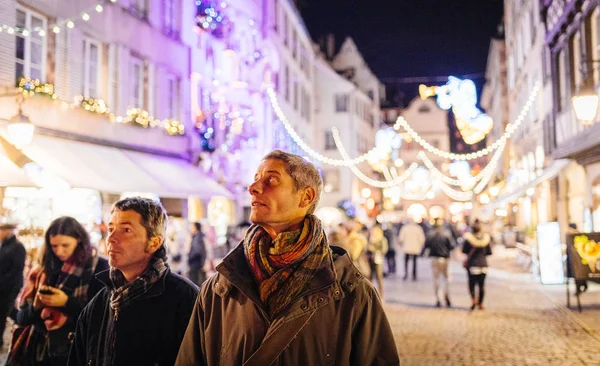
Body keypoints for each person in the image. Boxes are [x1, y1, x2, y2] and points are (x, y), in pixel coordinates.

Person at [175, 150, 399, 365]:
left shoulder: (351, 291)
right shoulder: (219, 289)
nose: (253, 188)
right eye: (255, 179)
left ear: (306, 197)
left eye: (271, 180)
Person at [68, 197, 199, 366]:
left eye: (126, 230)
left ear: (153, 243)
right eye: (110, 229)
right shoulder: (98, 304)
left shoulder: (186, 300)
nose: (111, 238)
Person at [7, 217, 108, 365]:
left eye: (65, 245)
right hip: (37, 351)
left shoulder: (98, 267)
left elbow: (101, 318)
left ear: (79, 240)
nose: (59, 251)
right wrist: (36, 307)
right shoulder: (42, 270)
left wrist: (67, 302)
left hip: (74, 352)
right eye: (54, 246)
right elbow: (21, 318)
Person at [0, 223, 26, 351]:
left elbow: (15, 270)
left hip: (9, 287)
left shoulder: (17, 247)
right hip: (4, 286)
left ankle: (23, 321)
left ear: (7, 231)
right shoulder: (5, 245)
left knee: (4, 311)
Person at [424, 218, 455, 308]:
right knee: (447, 279)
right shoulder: (446, 233)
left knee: (436, 279)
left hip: (434, 258)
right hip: (445, 259)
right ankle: (446, 295)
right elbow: (451, 246)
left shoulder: (430, 234)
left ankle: (438, 299)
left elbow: (426, 245)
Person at [462, 220, 492, 311]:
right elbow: (489, 252)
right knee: (481, 285)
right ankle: (481, 303)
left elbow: (464, 251)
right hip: (483, 264)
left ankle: (473, 300)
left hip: (472, 265)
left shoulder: (469, 239)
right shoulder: (486, 239)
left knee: (472, 284)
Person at [367, 223, 388, 298]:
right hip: (370, 260)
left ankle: (381, 295)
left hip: (378, 260)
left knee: (379, 277)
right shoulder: (370, 239)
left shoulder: (382, 239)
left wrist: (374, 249)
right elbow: (367, 248)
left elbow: (384, 249)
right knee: (370, 277)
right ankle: (370, 294)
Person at [188, 222, 207, 286]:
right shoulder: (198, 237)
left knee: (194, 283)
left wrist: (190, 258)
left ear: (195, 227)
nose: (191, 229)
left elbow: (197, 251)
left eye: (192, 227)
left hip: (195, 263)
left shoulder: (197, 238)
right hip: (197, 263)